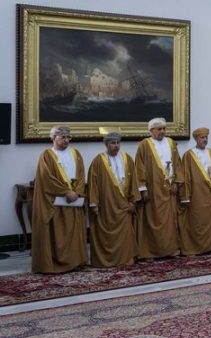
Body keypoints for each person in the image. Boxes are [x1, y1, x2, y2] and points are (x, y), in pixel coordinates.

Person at [31, 125, 88, 273]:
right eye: (63, 137)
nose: (66, 140)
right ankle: (57, 264)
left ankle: (75, 262)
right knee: (58, 233)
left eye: (68, 137)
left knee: (74, 232)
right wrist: (66, 192)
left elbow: (81, 175)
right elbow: (46, 178)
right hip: (57, 201)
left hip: (74, 199)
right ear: (53, 137)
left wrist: (77, 192)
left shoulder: (76, 153)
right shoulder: (47, 155)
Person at [87, 131, 138, 267]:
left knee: (125, 235)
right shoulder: (98, 161)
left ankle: (125, 259)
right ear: (106, 144)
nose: (116, 146)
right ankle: (107, 261)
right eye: (112, 143)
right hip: (107, 206)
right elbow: (93, 184)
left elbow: (134, 181)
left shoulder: (127, 158)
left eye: (118, 143)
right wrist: (94, 204)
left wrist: (133, 201)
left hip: (124, 205)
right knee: (106, 236)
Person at [135, 117, 182, 259]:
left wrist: (177, 182)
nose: (162, 132)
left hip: (169, 190)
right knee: (153, 220)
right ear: (151, 131)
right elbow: (140, 168)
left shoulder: (171, 143)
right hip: (153, 190)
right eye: (159, 129)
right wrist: (143, 189)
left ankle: (171, 250)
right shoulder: (144, 145)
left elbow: (177, 164)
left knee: (170, 221)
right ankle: (150, 253)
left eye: (164, 129)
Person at [179, 127, 211, 256]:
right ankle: (194, 248)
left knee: (209, 222)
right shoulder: (189, 155)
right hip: (196, 196)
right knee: (196, 222)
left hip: (210, 195)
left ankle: (209, 247)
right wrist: (185, 196)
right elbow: (185, 176)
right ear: (196, 139)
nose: (204, 140)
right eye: (202, 138)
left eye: (206, 137)